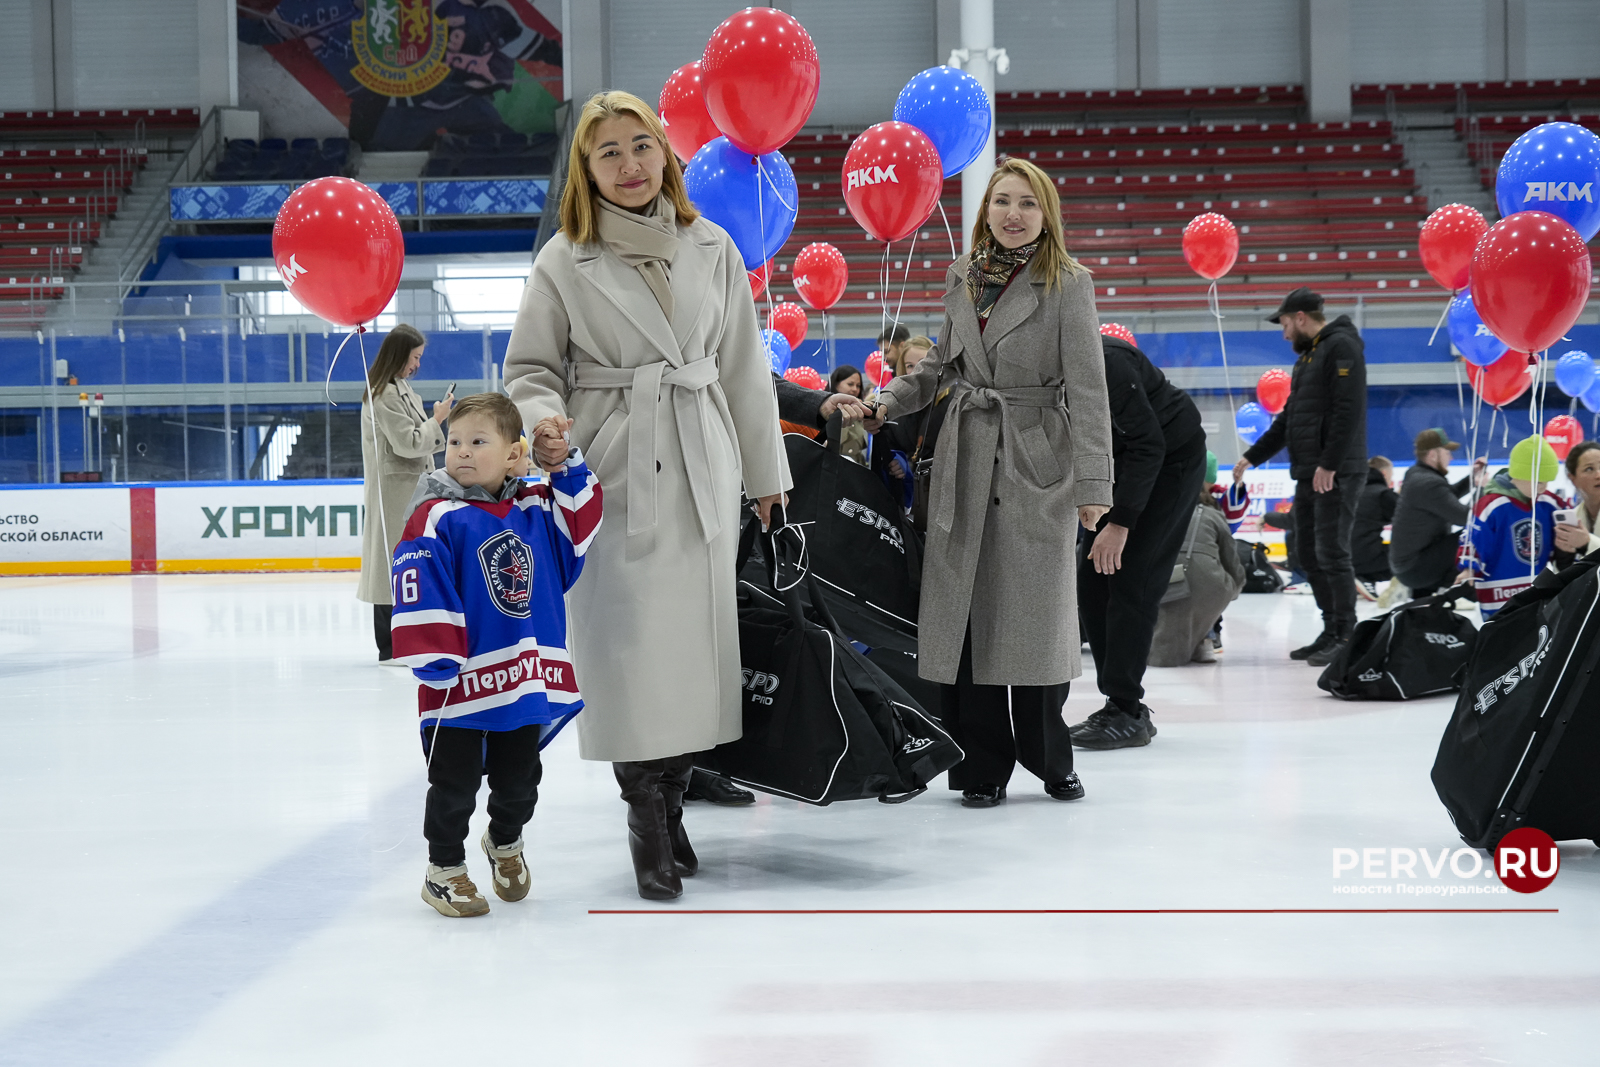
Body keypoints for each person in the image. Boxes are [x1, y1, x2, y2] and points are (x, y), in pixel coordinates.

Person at [503, 91, 789, 901]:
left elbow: (743, 372)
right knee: (634, 659)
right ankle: (645, 819)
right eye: (608, 154)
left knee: (694, 660)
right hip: (613, 476)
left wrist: (768, 483)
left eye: (641, 146)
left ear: (666, 153)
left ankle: (672, 803)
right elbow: (528, 371)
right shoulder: (566, 258)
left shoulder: (715, 246)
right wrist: (547, 424)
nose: (629, 165)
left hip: (703, 468)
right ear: (585, 171)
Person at [864, 158, 1113, 807]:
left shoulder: (1069, 282)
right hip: (966, 455)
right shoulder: (961, 276)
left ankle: (1049, 756)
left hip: (1037, 462)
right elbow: (939, 366)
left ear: (1046, 212)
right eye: (1002, 201)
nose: (1012, 213)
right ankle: (980, 769)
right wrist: (887, 401)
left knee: (1034, 620)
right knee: (968, 621)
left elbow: (1088, 390)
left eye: (1027, 204)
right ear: (985, 211)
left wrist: (1094, 487)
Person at [388, 393, 602, 918]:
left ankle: (504, 842)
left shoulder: (534, 505)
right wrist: (437, 658)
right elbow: (417, 581)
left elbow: (580, 525)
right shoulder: (435, 514)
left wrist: (566, 458)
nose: (460, 451)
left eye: (478, 441)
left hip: (523, 676)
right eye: (455, 441)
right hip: (460, 683)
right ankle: (444, 869)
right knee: (453, 784)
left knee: (520, 781)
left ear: (513, 454)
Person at [1069, 333, 1205, 749]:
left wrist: (1121, 524)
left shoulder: (1104, 362)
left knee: (1132, 580)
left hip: (1170, 460)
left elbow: (1149, 444)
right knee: (1091, 584)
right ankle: (1116, 703)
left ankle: (1127, 709)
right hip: (1116, 465)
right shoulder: (1039, 365)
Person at [1232, 287, 1367, 668]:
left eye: (1286, 323)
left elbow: (1349, 410)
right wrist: (1251, 457)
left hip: (1334, 472)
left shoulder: (1342, 347)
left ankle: (1346, 634)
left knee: (1332, 552)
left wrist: (1330, 463)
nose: (1284, 332)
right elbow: (1289, 420)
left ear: (1302, 317)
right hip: (1311, 472)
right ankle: (1330, 629)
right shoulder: (1309, 357)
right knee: (1307, 552)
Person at [356, 324, 453, 663]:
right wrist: (437, 419)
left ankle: (406, 637)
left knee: (405, 562)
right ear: (400, 354)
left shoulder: (401, 389)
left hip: (411, 487)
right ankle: (390, 644)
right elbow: (409, 443)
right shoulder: (383, 394)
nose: (417, 364)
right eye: (415, 357)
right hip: (393, 491)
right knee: (389, 565)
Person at [1461, 435, 1562, 618]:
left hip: (1535, 592)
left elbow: (1566, 537)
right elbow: (1472, 539)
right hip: (1496, 593)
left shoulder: (1548, 503)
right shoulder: (1491, 505)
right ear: (1519, 474)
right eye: (1539, 482)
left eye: (1547, 482)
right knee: (1500, 641)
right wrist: (1468, 568)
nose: (1543, 487)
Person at [1149, 486, 1247, 667]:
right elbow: (1232, 562)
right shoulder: (1214, 515)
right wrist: (1235, 589)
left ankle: (1178, 648)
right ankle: (1206, 640)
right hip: (1212, 586)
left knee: (1164, 643)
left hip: (1163, 582)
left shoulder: (1156, 510)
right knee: (1202, 605)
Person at [1388, 428, 1486, 598]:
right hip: (1415, 567)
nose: (1451, 457)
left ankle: (1458, 589)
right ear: (1433, 455)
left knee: (1467, 543)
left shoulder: (1418, 475)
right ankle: (1476, 591)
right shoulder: (1427, 483)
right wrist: (1482, 488)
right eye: (1447, 452)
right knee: (1474, 534)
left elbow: (1447, 497)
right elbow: (1467, 518)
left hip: (1410, 563)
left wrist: (1473, 478)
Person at [1352, 456, 1398, 601]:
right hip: (1364, 557)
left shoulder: (1350, 491)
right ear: (1384, 473)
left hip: (1338, 557)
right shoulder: (1382, 494)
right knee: (1410, 556)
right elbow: (1408, 518)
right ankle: (1364, 576)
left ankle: (1359, 577)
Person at [1553, 440, 1600, 568]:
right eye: (1589, 469)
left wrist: (1587, 543)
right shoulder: (1572, 520)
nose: (1598, 474)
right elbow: (1561, 579)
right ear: (1573, 478)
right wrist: (1564, 558)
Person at [827, 365, 869, 464]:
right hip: (833, 467)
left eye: (858, 385)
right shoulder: (825, 412)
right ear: (836, 384)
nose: (855, 389)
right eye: (850, 384)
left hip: (856, 470)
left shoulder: (861, 413)